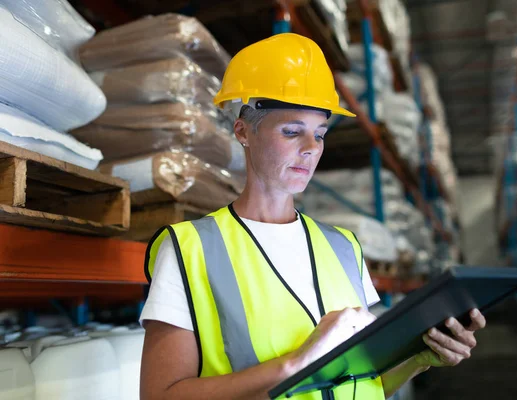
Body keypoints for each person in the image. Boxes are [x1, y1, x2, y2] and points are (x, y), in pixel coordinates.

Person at [139, 33, 486, 400]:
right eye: (292, 132)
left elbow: (371, 381)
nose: (310, 149)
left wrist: (421, 356)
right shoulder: (190, 249)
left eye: (319, 135)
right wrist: (296, 364)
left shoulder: (344, 247)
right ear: (243, 131)